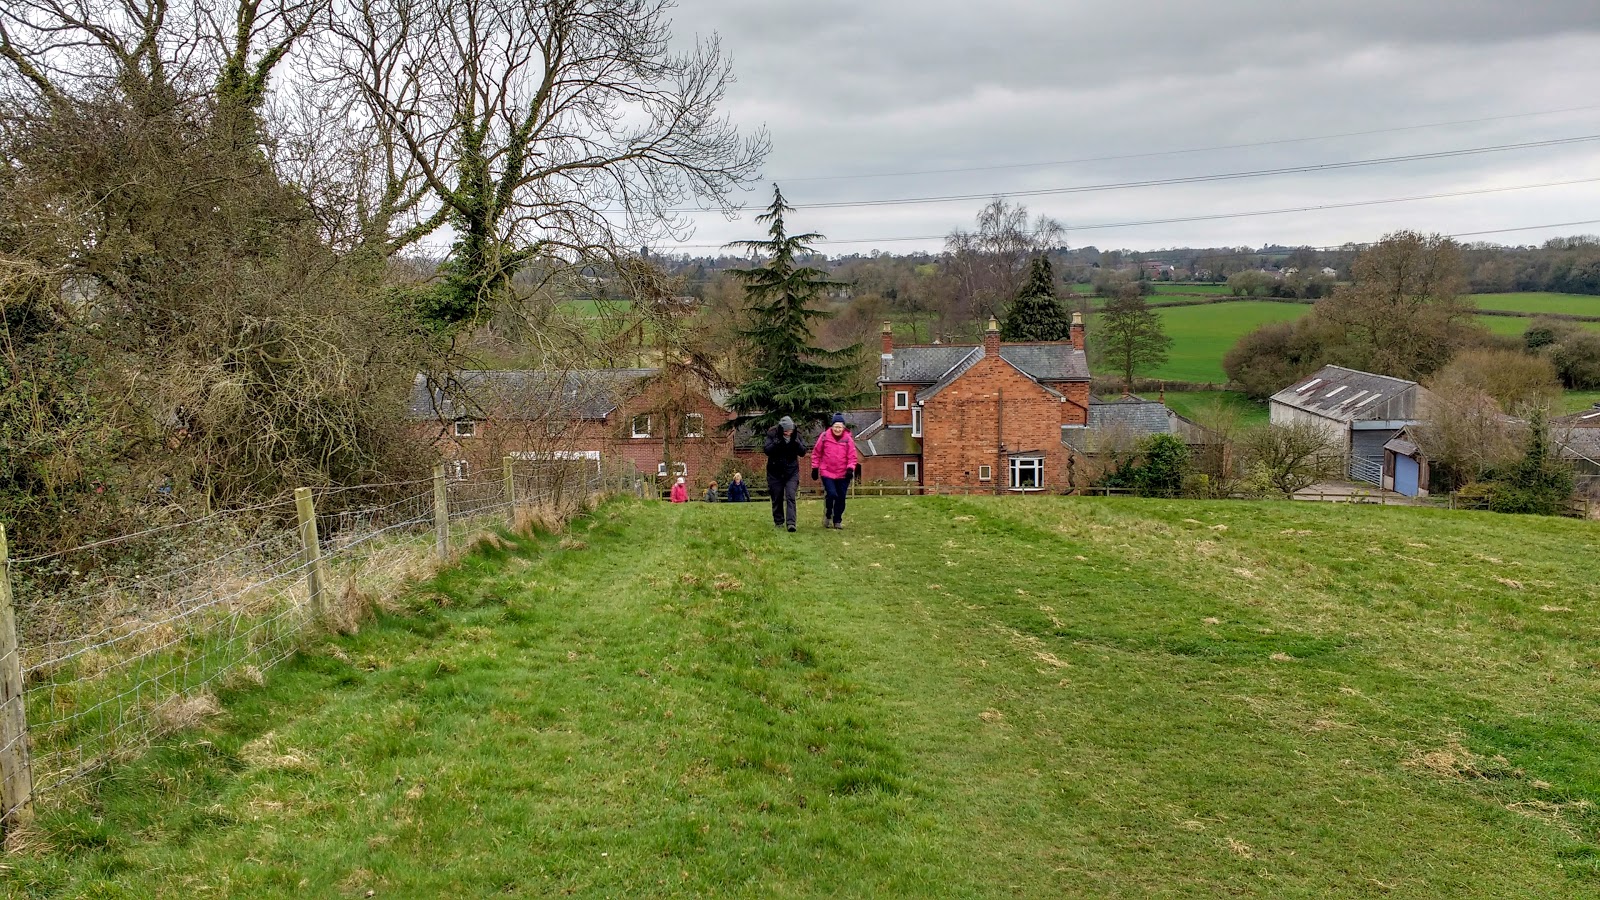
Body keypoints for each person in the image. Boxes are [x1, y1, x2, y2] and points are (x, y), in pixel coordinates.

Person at [811, 413, 861, 529]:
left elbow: (852, 456)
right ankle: (828, 513)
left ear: (843, 428)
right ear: (832, 427)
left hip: (843, 473)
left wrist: (850, 468)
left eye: (840, 427)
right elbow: (816, 453)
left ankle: (837, 520)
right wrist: (815, 468)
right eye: (836, 427)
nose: (837, 429)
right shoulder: (824, 437)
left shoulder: (848, 439)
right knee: (832, 494)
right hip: (827, 471)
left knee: (841, 497)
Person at [763, 415, 806, 531]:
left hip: (791, 472)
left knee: (791, 496)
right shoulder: (772, 433)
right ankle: (778, 521)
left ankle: (791, 523)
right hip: (774, 472)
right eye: (786, 431)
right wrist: (777, 443)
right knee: (777, 497)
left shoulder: (797, 434)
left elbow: (803, 452)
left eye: (790, 431)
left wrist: (796, 443)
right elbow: (766, 450)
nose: (788, 433)